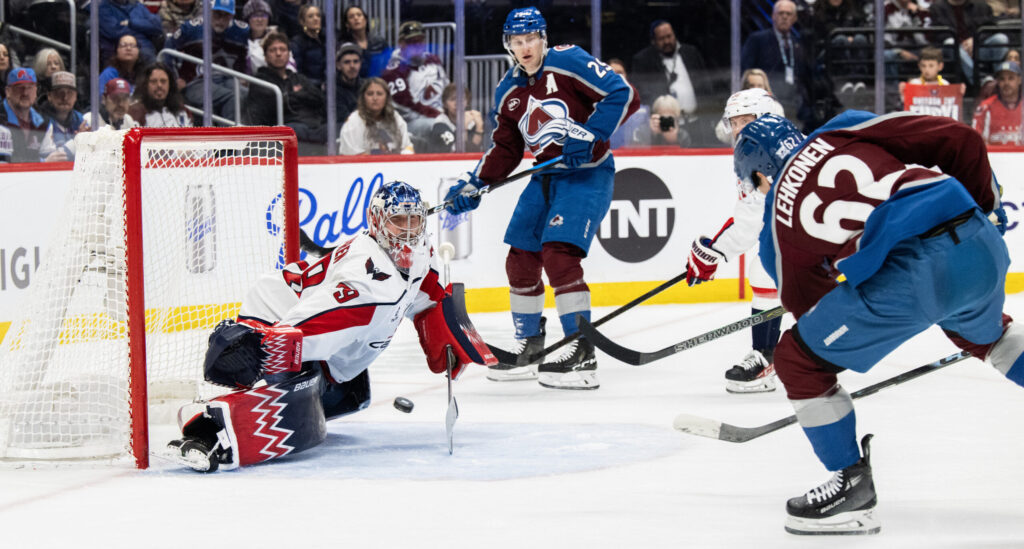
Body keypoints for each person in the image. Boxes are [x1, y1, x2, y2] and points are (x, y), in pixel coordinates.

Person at [733, 110, 1021, 535]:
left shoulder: (773, 228)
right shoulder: (839, 128)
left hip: (915, 276)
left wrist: (859, 275)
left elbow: (811, 309)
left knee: (799, 360)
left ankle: (850, 487)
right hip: (979, 237)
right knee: (986, 336)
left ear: (760, 175)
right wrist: (982, 206)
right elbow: (959, 138)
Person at [164, 181, 496, 472]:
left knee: (352, 393)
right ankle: (205, 431)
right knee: (294, 415)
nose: (409, 231)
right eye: (398, 221)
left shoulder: (422, 253)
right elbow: (303, 327)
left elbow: (427, 297)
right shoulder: (367, 282)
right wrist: (260, 347)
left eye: (414, 220)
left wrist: (445, 342)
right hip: (276, 313)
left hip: (325, 339)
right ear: (378, 223)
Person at [443, 6, 639, 390]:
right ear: (509, 46)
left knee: (559, 254)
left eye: (531, 38)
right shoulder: (508, 91)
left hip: (587, 175)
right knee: (520, 258)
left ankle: (582, 351)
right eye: (518, 41)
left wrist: (592, 135)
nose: (525, 47)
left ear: (543, 38)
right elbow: (506, 147)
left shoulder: (567, 60)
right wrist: (475, 183)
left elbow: (622, 92)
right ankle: (530, 346)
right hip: (546, 177)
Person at [685, 88, 785, 393]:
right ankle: (769, 357)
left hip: (821, 232)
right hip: (819, 228)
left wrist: (713, 252)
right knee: (765, 271)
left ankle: (790, 356)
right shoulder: (781, 139)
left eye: (745, 120)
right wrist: (715, 250)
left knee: (769, 269)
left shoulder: (757, 153)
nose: (738, 128)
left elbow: (749, 220)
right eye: (734, 122)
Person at [629, 20, 712, 143]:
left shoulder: (691, 53)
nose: (667, 41)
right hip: (664, 129)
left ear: (674, 35)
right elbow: (642, 94)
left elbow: (706, 85)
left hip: (696, 123)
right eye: (661, 38)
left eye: (669, 36)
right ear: (653, 41)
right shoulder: (643, 60)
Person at [166, 0, 249, 121]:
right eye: (217, 14)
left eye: (225, 15)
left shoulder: (241, 31)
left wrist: (242, 75)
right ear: (208, 12)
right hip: (196, 81)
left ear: (232, 16)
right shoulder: (191, 29)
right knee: (232, 97)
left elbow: (243, 56)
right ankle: (230, 137)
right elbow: (168, 49)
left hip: (227, 79)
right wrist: (174, 79)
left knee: (245, 94)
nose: (221, 20)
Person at [245, 33, 326, 153]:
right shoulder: (260, 81)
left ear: (288, 54)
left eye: (282, 49)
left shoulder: (299, 78)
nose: (278, 54)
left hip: (313, 126)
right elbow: (269, 106)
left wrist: (292, 95)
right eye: (273, 50)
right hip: (286, 129)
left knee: (334, 129)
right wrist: (298, 95)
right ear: (266, 56)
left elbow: (319, 98)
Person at [741, 0, 810, 126]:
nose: (784, 17)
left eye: (788, 14)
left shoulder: (799, 43)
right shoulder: (757, 39)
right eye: (781, 13)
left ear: (794, 18)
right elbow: (746, 70)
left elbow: (804, 74)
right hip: (766, 101)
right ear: (773, 16)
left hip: (795, 103)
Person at [381, 21, 448, 139]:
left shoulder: (433, 60)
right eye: (412, 42)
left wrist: (454, 111)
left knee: (471, 120)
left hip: (441, 114)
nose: (418, 45)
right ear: (401, 43)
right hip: (414, 122)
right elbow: (406, 107)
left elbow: (447, 90)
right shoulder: (394, 71)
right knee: (441, 128)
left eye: (420, 40)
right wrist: (437, 115)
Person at [337, 77, 413, 155]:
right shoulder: (354, 121)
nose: (375, 98)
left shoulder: (395, 117)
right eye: (370, 94)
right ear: (363, 98)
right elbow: (351, 155)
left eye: (379, 94)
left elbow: (407, 147)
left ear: (387, 98)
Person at [420, 83, 485, 154]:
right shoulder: (440, 125)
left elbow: (474, 150)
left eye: (462, 99)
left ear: (467, 102)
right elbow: (460, 153)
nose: (457, 103)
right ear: (445, 104)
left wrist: (479, 127)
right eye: (453, 99)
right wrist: (464, 128)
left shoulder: (472, 122)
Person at [38, 71, 85, 162]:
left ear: (75, 96)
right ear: (50, 96)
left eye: (70, 93)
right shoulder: (41, 121)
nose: (65, 98)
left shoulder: (80, 120)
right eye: (59, 93)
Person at [128, 62, 193, 127]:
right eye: (153, 81)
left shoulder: (183, 111)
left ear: (170, 84)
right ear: (145, 85)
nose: (159, 85)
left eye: (163, 81)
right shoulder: (135, 112)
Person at [1, 68, 46, 163]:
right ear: (8, 92)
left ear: (36, 91)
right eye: (19, 88)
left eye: (30, 88)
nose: (25, 93)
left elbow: (50, 155)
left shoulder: (43, 122)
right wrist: (42, 162)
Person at [972, 60, 1022, 144]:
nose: (1006, 83)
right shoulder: (985, 107)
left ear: (1019, 80)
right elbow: (976, 141)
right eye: (1002, 79)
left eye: (1011, 78)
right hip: (994, 156)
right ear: (997, 82)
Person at [98, 0, 164, 62]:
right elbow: (114, 32)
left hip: (146, 47)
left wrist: (131, 23)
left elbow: (157, 26)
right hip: (119, 49)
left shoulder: (137, 5)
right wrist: (144, 30)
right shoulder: (104, 8)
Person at [244, 0, 294, 75]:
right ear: (248, 19)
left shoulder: (278, 38)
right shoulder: (241, 39)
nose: (260, 19)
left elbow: (291, 68)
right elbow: (255, 66)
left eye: (263, 15)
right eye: (255, 15)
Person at [340, 4, 389, 77]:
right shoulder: (344, 45)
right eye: (351, 17)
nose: (356, 18)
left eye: (359, 15)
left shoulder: (380, 42)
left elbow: (388, 64)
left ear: (365, 20)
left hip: (379, 82)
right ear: (347, 24)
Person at [289, 4, 326, 87]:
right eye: (310, 16)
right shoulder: (297, 42)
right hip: (309, 86)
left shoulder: (327, 39)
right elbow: (298, 71)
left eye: (318, 15)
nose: (316, 19)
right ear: (302, 21)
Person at [335, 41, 365, 125]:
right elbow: (344, 119)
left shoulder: (366, 86)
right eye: (347, 62)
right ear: (338, 65)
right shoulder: (332, 90)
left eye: (355, 61)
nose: (352, 66)